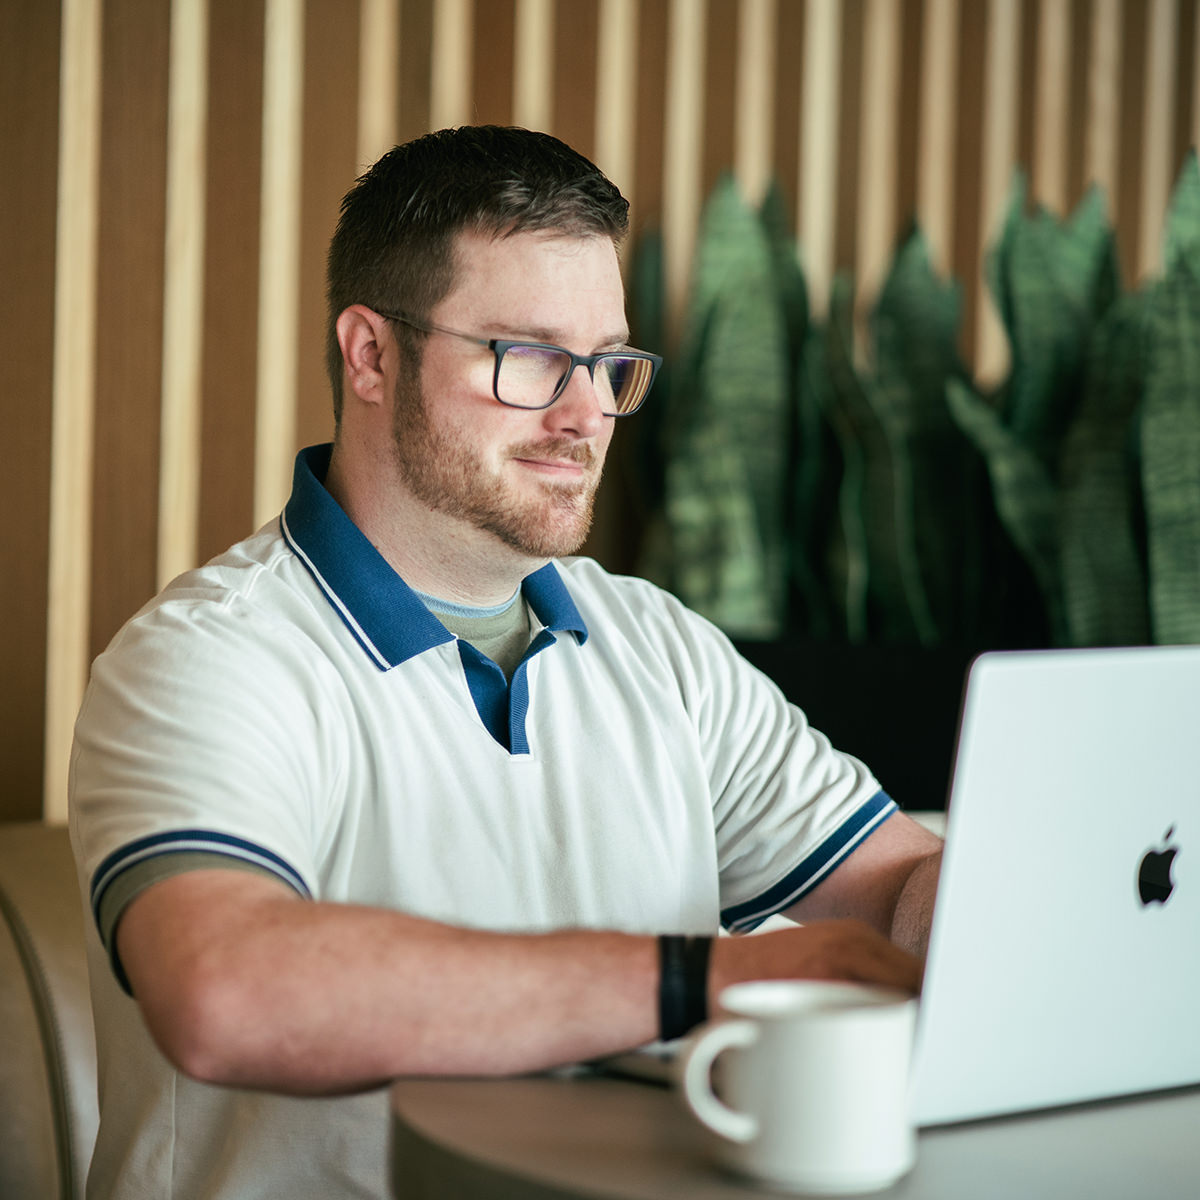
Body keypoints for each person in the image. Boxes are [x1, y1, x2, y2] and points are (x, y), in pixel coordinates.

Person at [69, 125, 942, 1200]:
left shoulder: (662, 649)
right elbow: (224, 990)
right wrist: (698, 980)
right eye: (529, 357)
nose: (586, 415)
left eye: (610, 364)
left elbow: (898, 882)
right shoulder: (208, 661)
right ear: (371, 355)